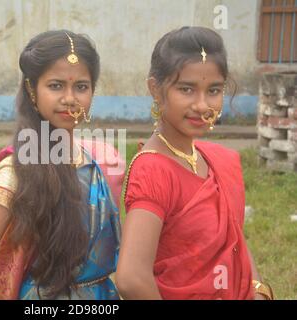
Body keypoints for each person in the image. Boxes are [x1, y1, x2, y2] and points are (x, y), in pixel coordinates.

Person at [0, 30, 123, 300]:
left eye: (81, 86)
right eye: (55, 86)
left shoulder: (91, 162)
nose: (70, 98)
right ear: (32, 90)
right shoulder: (19, 169)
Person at [116, 26, 273, 300]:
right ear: (155, 89)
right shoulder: (153, 170)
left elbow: (235, 238)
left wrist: (259, 291)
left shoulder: (214, 159)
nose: (202, 105)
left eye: (213, 90)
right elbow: (131, 279)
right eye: (186, 89)